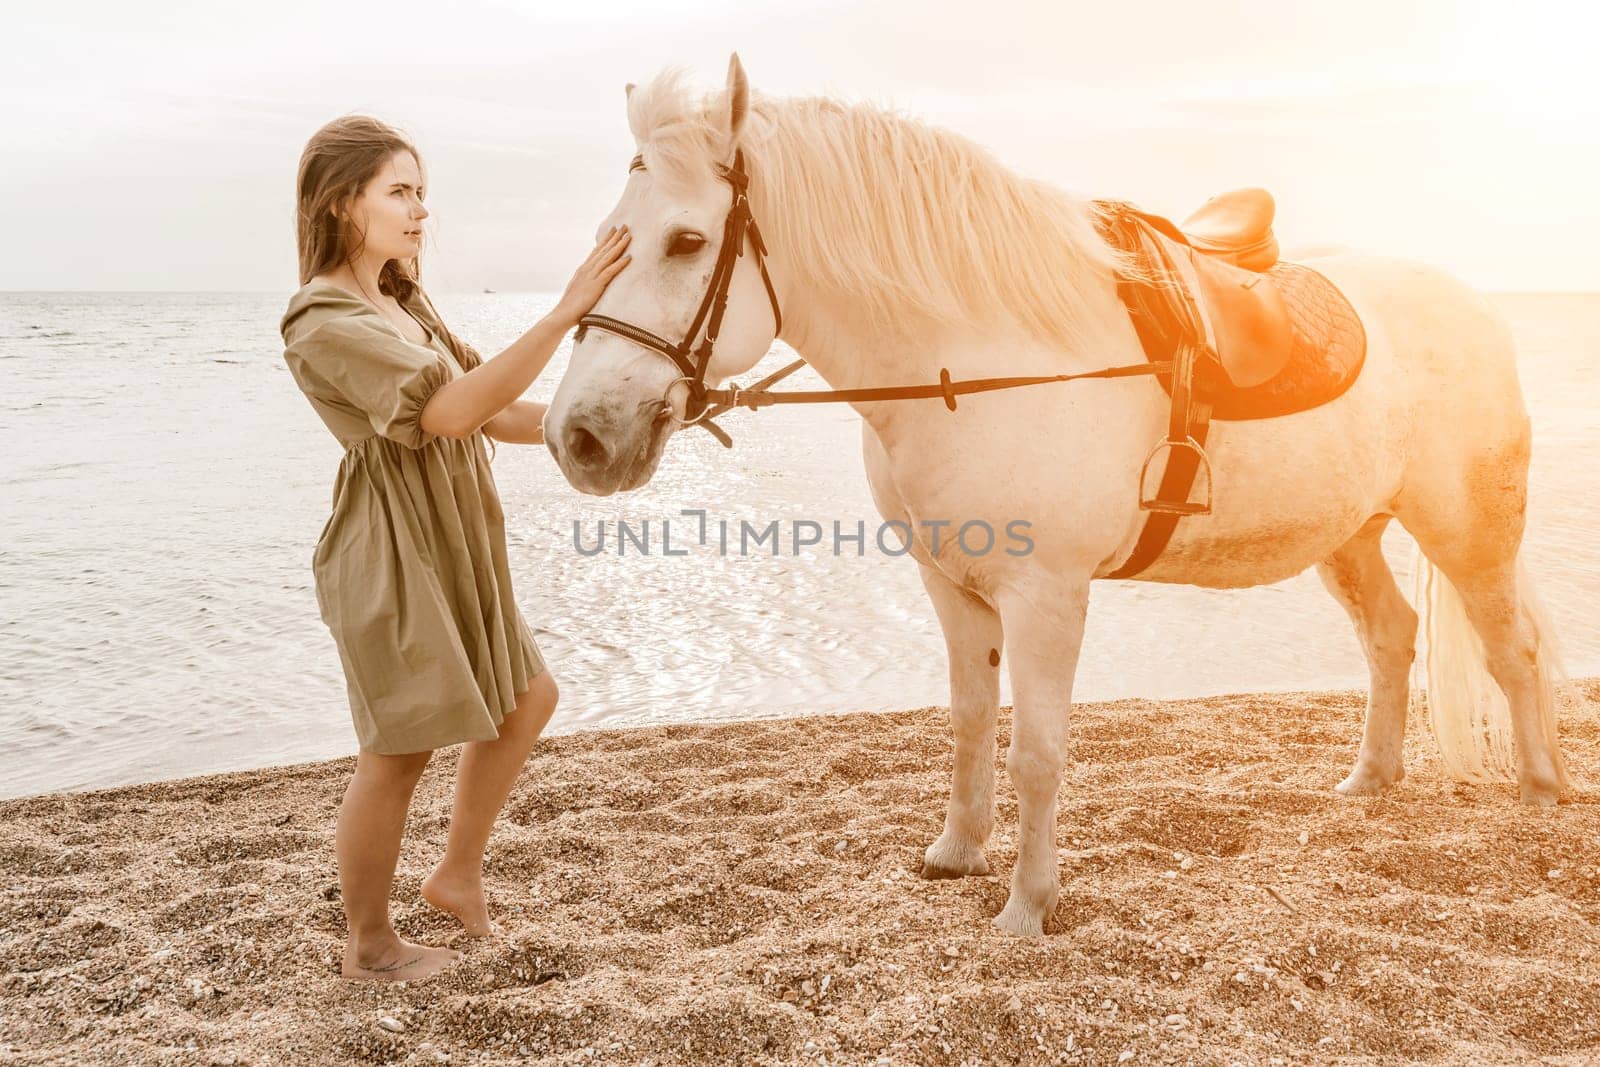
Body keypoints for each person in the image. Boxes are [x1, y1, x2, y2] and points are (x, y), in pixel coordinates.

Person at [279, 115, 630, 982]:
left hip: (457, 535)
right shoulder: (320, 317)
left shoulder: (401, 303)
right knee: (397, 751)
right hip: (394, 545)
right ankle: (369, 944)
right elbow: (445, 415)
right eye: (398, 191)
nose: (419, 210)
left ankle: (455, 873)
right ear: (339, 200)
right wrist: (564, 313)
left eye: (421, 191)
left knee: (527, 696)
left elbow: (492, 410)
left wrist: (607, 423)